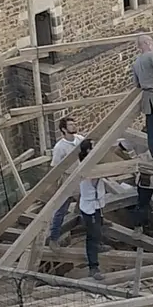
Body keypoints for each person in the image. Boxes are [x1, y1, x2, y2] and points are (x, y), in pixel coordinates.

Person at [73, 139, 107, 279]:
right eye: (94, 147)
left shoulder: (94, 164)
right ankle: (93, 267)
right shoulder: (85, 167)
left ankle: (99, 245)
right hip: (89, 206)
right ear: (88, 151)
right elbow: (94, 176)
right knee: (92, 235)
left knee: (99, 226)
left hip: (97, 204)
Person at [48, 116, 84, 241]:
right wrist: (55, 186)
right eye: (70, 125)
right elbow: (55, 168)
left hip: (82, 177)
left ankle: (79, 226)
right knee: (61, 210)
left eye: (74, 124)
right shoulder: (60, 147)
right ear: (63, 129)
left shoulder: (80, 139)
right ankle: (54, 237)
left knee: (85, 202)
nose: (74, 126)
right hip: (68, 180)